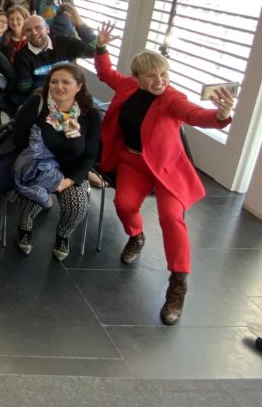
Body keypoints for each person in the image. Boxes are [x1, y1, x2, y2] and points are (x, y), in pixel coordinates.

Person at [94, 22, 234, 325]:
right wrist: (101, 47)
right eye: (153, 76)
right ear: (138, 78)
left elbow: (194, 114)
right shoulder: (128, 87)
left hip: (166, 168)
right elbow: (106, 74)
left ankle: (178, 284)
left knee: (171, 218)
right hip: (133, 162)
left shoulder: (171, 98)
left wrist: (221, 115)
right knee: (124, 205)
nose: (160, 80)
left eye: (164, 74)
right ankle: (136, 236)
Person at [10, 63, 101, 262]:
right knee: (31, 198)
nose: (59, 86)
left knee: (76, 206)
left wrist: (69, 181)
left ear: (78, 86)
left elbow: (90, 155)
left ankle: (63, 235)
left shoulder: (90, 115)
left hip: (71, 171)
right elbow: (20, 138)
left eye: (66, 82)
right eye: (54, 82)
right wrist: (36, 169)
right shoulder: (37, 104)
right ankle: (24, 230)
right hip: (39, 166)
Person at [11, 15, 95, 105]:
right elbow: (25, 87)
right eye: (28, 30)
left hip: (72, 96)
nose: (34, 33)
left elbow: (93, 51)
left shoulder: (64, 42)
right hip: (44, 100)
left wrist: (81, 25)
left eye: (38, 28)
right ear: (25, 33)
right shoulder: (21, 56)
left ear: (47, 29)